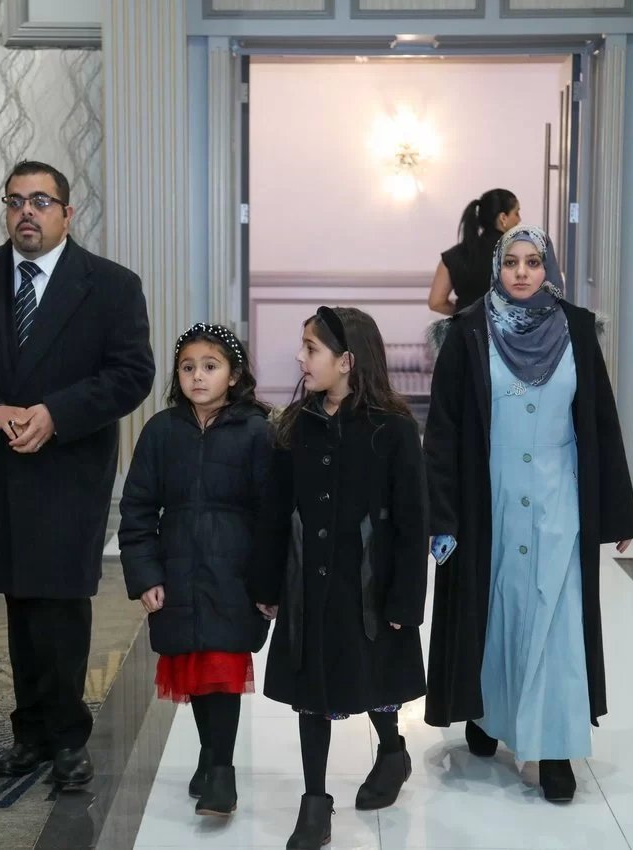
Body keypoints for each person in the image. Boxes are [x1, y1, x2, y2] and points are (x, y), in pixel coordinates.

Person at [0, 160, 154, 791]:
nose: (27, 211)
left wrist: (55, 414)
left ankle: (68, 739)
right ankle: (30, 734)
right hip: (1, 465)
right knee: (20, 603)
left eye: (41, 201)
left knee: (62, 604)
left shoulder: (111, 285)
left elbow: (132, 373)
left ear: (67, 214)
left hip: (68, 468)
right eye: (16, 200)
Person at [422, 223, 633, 804]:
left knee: (555, 614)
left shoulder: (576, 329)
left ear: (548, 269)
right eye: (511, 262)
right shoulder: (467, 331)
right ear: (496, 268)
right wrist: (441, 515)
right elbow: (442, 433)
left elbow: (600, 421)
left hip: (557, 494)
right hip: (487, 497)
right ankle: (488, 713)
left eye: (533, 262)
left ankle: (555, 748)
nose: (522, 272)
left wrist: (617, 511)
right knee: (497, 608)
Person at [254, 306, 428, 850]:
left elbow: (412, 521)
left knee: (372, 679)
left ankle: (392, 750)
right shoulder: (294, 426)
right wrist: (267, 586)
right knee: (314, 691)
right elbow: (275, 511)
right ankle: (315, 801)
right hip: (308, 584)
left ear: (347, 361)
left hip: (369, 587)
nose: (300, 358)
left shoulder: (393, 429)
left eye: (312, 349)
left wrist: (405, 600)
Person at [119, 322, 273, 818]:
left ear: (234, 375)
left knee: (223, 668)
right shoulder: (161, 431)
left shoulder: (257, 431)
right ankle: (210, 756)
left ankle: (222, 772)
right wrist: (145, 575)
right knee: (195, 667)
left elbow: (273, 515)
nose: (198, 377)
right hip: (178, 568)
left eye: (210, 366)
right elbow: (137, 509)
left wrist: (269, 582)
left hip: (235, 572)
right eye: (188, 367)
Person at [427, 188, 521, 317]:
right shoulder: (518, 254)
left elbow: (435, 302)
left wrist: (464, 313)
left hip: (465, 328)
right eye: (516, 213)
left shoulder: (453, 256)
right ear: (503, 218)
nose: (519, 220)